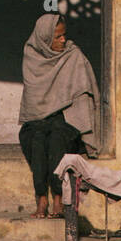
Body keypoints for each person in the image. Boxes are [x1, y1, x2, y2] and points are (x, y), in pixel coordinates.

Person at [18, 13, 100, 219]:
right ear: (45, 39)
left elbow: (84, 93)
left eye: (64, 35)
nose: (63, 40)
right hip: (37, 119)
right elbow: (33, 98)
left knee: (56, 140)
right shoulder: (32, 56)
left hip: (66, 118)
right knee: (36, 140)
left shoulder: (73, 55)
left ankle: (57, 198)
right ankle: (41, 198)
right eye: (58, 37)